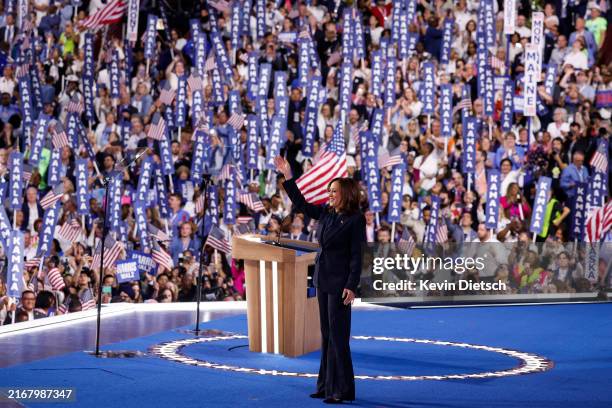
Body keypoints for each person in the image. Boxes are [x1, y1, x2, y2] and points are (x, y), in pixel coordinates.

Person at [274, 155, 365, 404]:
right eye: (328, 191)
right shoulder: (326, 212)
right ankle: (326, 385)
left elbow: (358, 256)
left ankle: (342, 390)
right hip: (323, 281)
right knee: (326, 335)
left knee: (338, 337)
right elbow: (301, 204)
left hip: (340, 285)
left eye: (334, 191)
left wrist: (351, 285)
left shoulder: (356, 220)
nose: (330, 194)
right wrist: (289, 177)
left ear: (345, 193)